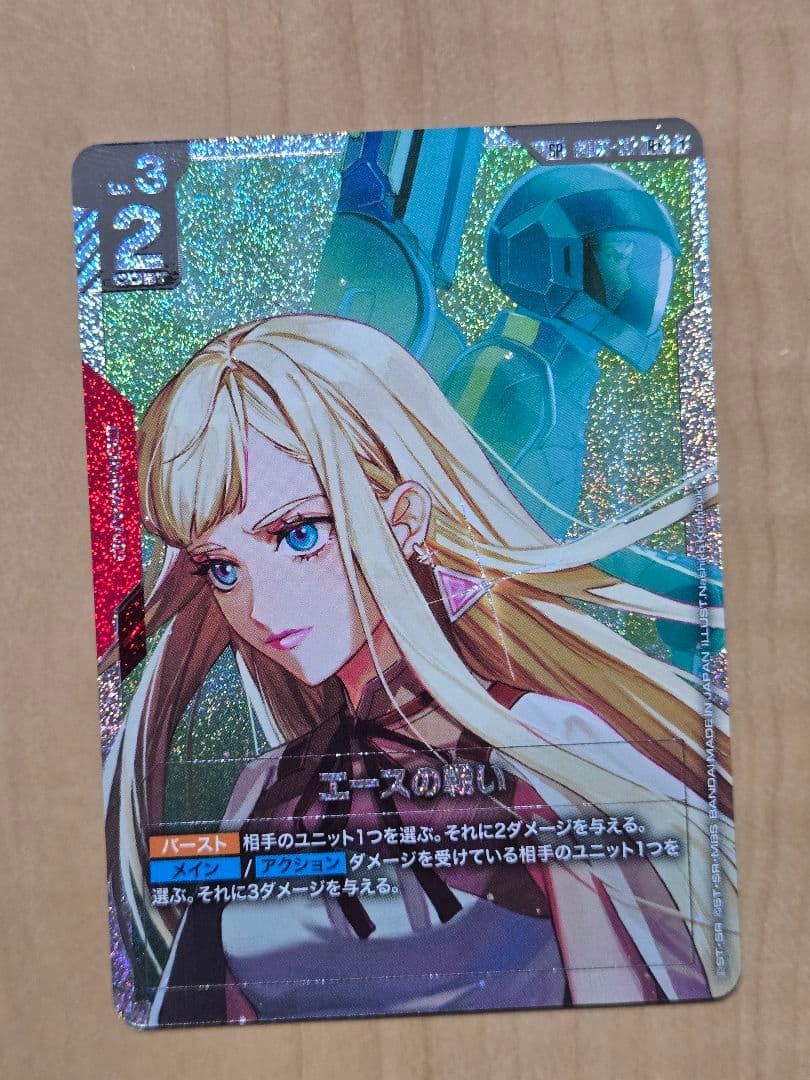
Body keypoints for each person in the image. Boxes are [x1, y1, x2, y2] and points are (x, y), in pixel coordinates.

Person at [103, 313, 737, 1025]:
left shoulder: (547, 749)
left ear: (404, 518)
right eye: (223, 567)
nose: (260, 604)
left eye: (299, 534)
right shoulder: (264, 790)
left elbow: (639, 1030)